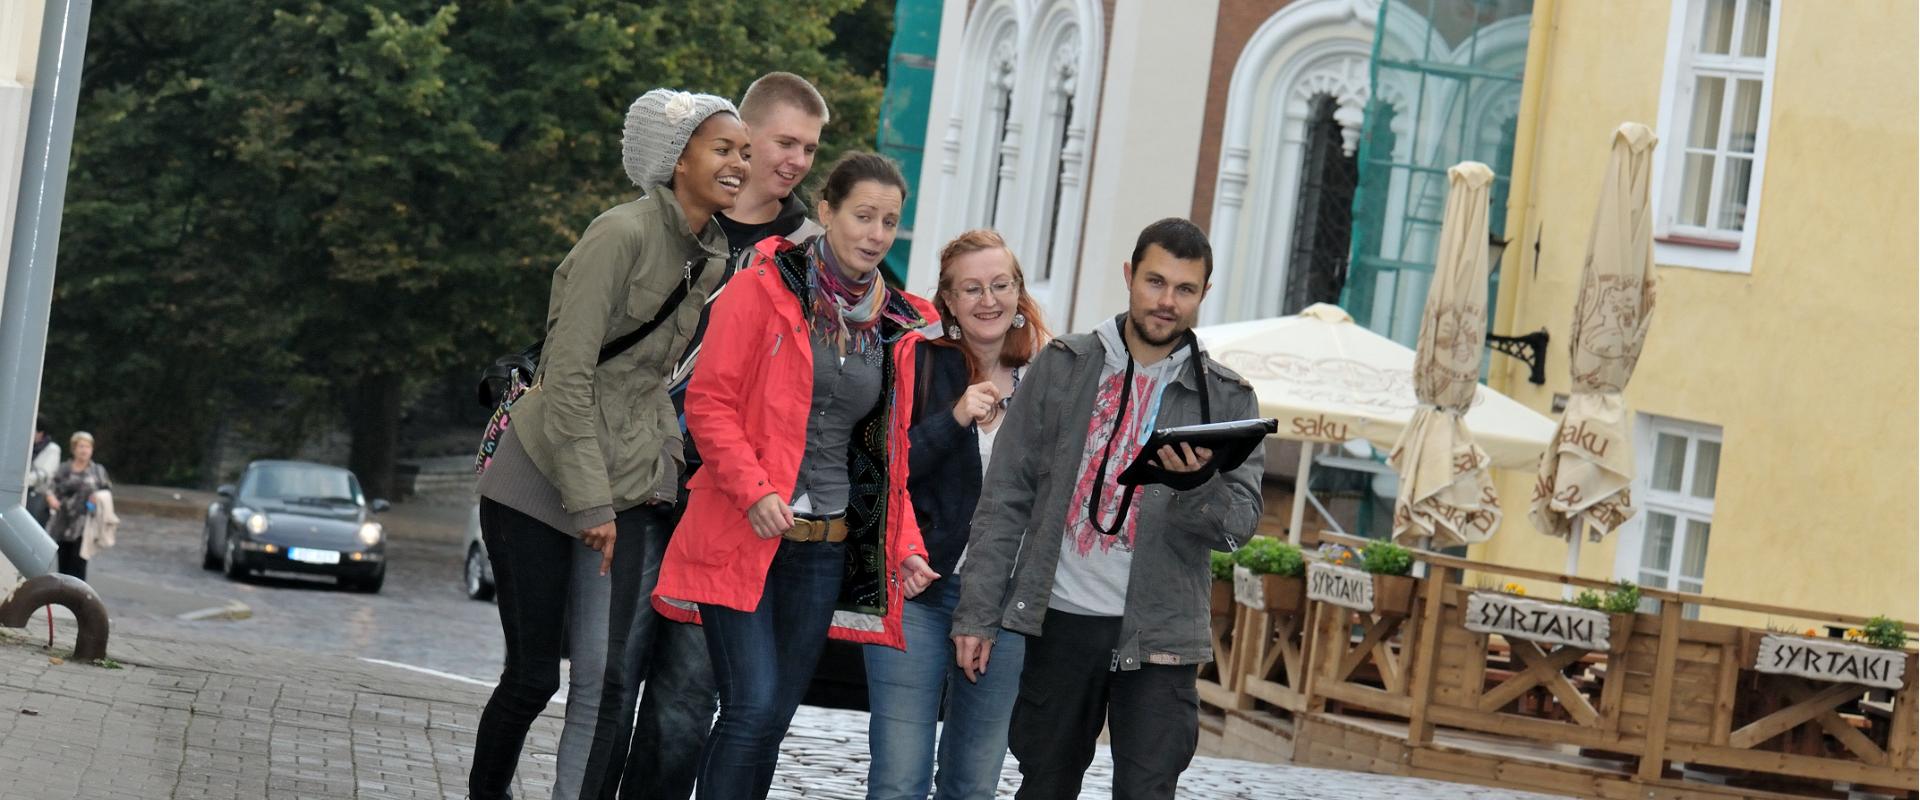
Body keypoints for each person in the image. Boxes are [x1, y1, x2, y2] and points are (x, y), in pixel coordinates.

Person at [467, 88, 746, 800]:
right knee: (533, 677)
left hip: (615, 487)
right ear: (676, 160)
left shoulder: (711, 255)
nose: (740, 163)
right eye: (724, 149)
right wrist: (591, 502)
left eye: (744, 150)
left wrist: (652, 480)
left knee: (604, 680)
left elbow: (648, 385)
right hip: (537, 478)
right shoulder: (617, 235)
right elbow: (567, 379)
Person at [653, 152, 940, 800]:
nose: (875, 233)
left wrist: (906, 547)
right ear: (829, 212)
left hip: (824, 548)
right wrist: (754, 490)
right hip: (740, 530)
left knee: (771, 724)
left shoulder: (894, 326)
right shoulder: (763, 287)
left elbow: (886, 458)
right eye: (863, 215)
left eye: (890, 222)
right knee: (750, 708)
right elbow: (709, 403)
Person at [949, 218, 1266, 800]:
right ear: (1129, 276)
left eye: (1185, 289)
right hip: (1062, 619)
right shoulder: (1063, 365)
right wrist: (976, 613)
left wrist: (1198, 484)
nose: (1167, 301)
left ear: (1203, 294)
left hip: (1161, 633)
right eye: (1155, 282)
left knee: (1148, 790)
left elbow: (1238, 527)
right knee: (1044, 784)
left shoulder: (1227, 398)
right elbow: (1004, 499)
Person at [617, 71, 831, 800]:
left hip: (729, 499)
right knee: (612, 677)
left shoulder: (812, 258)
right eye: (784, 141)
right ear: (743, 134)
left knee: (685, 696)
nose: (798, 160)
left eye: (811, 147)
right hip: (639, 475)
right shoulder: (673, 217)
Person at [863, 229, 1051, 800]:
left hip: (1003, 600)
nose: (988, 300)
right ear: (947, 301)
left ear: (1019, 292)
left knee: (973, 783)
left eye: (1000, 285)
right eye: (971, 289)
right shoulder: (915, 359)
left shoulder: (1047, 379)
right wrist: (955, 417)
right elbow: (881, 468)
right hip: (916, 586)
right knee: (899, 779)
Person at [45, 431, 110, 580]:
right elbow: (50, 488)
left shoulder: (97, 470)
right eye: (81, 446)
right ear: (74, 449)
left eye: (87, 446)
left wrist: (98, 498)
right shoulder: (65, 468)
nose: (84, 450)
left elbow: (107, 491)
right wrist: (51, 498)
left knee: (79, 567)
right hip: (63, 523)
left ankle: (77, 599)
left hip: (85, 525)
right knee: (63, 567)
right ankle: (63, 599)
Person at [25, 416, 59, 526]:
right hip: (23, 493)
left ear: (40, 432)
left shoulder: (52, 449)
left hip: (38, 496)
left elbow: (44, 474)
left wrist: (22, 480)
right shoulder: (27, 446)